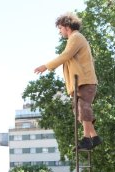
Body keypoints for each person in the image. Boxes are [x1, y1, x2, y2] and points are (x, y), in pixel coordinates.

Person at [34, 12, 101, 151]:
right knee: (78, 110)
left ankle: (86, 138)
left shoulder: (75, 37)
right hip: (80, 82)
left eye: (60, 28)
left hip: (84, 81)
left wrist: (45, 66)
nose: (60, 32)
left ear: (66, 26)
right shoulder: (74, 38)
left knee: (83, 107)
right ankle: (93, 137)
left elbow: (65, 56)